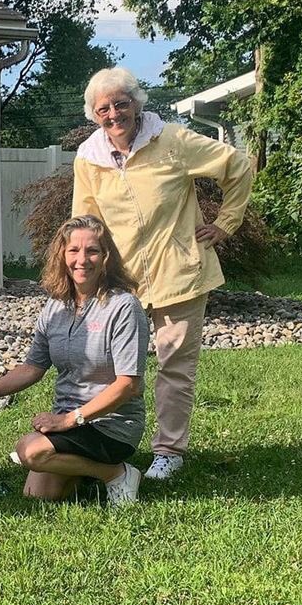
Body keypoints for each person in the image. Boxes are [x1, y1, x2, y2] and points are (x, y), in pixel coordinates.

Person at [71, 66, 253, 481]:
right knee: (107, 367)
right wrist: (86, 273)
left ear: (137, 103)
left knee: (174, 367)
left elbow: (237, 165)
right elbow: (85, 220)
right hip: (121, 281)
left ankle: (169, 452)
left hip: (181, 273)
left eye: (121, 103)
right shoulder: (89, 159)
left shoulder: (171, 140)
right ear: (94, 114)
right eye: (104, 108)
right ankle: (103, 442)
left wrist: (226, 223)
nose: (114, 113)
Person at [0, 215, 149, 505]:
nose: (83, 259)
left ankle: (116, 473)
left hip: (112, 424)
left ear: (106, 257)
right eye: (73, 251)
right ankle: (89, 472)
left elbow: (128, 384)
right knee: (38, 494)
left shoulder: (123, 307)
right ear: (61, 256)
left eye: (92, 251)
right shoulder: (55, 307)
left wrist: (68, 420)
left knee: (30, 451)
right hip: (71, 423)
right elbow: (32, 368)